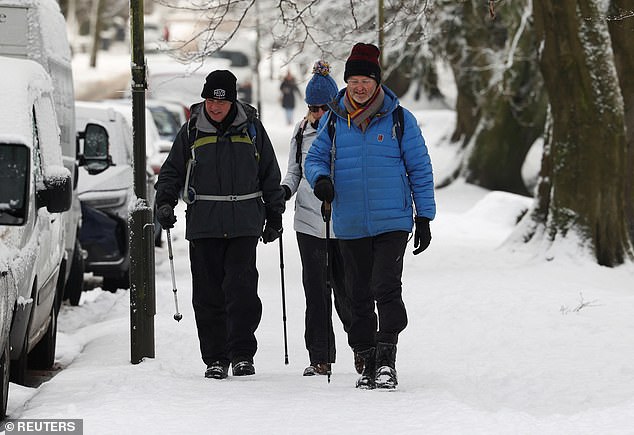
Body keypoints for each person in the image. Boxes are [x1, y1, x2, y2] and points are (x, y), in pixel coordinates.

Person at [304, 43, 436, 390]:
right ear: (346, 83)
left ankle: (387, 360)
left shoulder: (398, 119)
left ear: (377, 83)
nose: (359, 87)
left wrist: (424, 217)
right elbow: (314, 158)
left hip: (392, 220)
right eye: (354, 80)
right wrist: (321, 181)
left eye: (366, 80)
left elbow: (420, 168)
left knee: (385, 288)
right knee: (356, 294)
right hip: (350, 222)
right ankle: (365, 355)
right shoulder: (333, 120)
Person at [154, 70, 285, 380]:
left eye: (221, 102)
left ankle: (241, 354)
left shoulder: (252, 128)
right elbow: (171, 172)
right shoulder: (191, 131)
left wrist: (274, 214)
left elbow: (269, 172)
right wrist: (164, 202)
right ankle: (215, 357)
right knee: (208, 295)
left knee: (241, 292)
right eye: (211, 100)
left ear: (232, 101)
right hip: (205, 225)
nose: (215, 107)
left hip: (243, 224)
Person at [281, 60, 354, 377]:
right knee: (316, 292)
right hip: (309, 224)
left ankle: (364, 349)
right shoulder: (301, 132)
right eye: (312, 107)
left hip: (346, 224)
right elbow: (294, 171)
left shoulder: (349, 130)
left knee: (350, 292)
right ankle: (320, 357)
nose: (317, 114)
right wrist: (284, 191)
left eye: (323, 107)